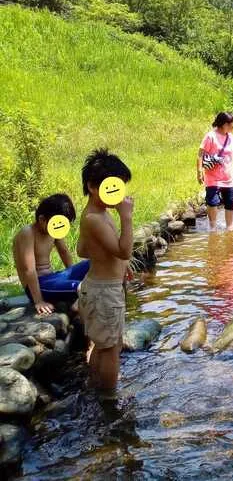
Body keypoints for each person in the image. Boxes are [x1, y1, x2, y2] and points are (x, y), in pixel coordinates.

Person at [76, 149, 133, 396]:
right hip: (104, 293)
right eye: (112, 186)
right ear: (91, 186)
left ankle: (96, 387)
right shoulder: (95, 219)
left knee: (103, 344)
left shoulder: (95, 215)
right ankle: (109, 399)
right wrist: (127, 218)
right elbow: (124, 251)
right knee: (111, 349)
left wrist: (116, 263)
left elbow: (81, 250)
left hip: (99, 287)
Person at [12, 194, 89, 315]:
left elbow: (64, 252)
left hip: (55, 278)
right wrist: (39, 301)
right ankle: (77, 306)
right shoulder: (28, 233)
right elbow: (29, 270)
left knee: (94, 263)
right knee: (82, 287)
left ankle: (78, 299)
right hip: (41, 285)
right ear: (42, 219)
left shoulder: (54, 231)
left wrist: (73, 273)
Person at [197, 112, 233, 231]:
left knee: (230, 203)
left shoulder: (231, 137)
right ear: (224, 124)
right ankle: (212, 227)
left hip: (229, 178)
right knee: (212, 202)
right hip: (213, 177)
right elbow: (200, 154)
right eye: (232, 124)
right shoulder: (210, 136)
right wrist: (199, 171)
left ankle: (229, 227)